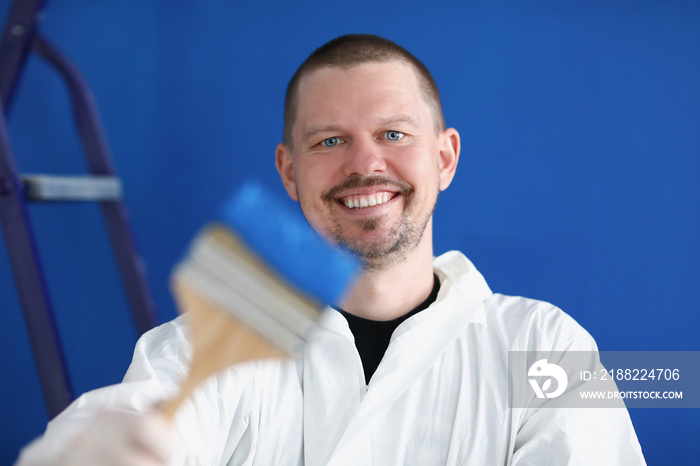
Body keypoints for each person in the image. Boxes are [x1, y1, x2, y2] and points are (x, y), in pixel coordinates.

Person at [17, 34, 646, 465]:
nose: (365, 163)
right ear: (289, 173)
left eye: (393, 133)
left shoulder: (548, 347)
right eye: (328, 142)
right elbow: (122, 421)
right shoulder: (204, 347)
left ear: (445, 157)